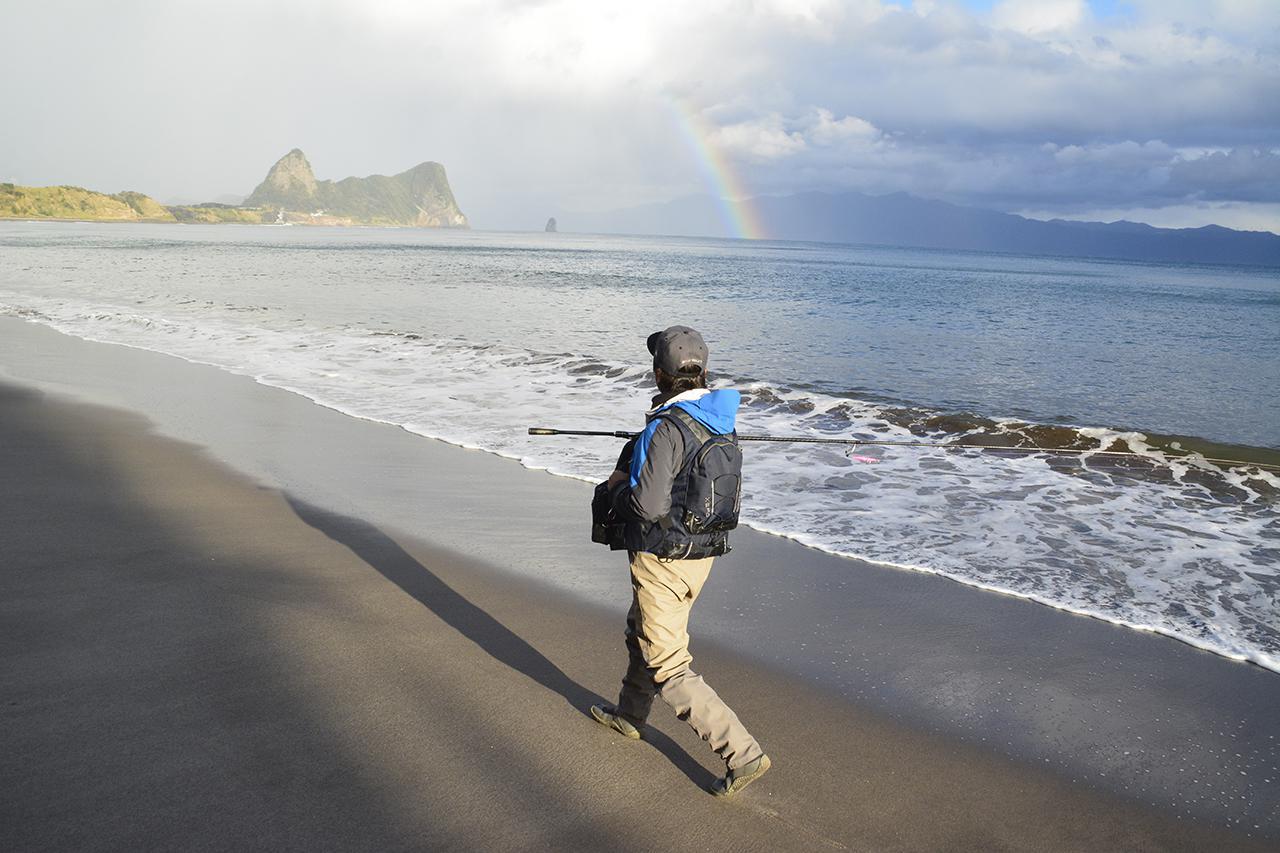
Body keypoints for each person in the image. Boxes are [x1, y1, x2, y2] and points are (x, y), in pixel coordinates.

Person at [590, 325, 771, 797]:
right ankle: (630, 716)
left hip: (662, 557)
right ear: (703, 372)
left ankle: (742, 753)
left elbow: (648, 505)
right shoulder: (717, 418)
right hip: (701, 554)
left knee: (667, 662)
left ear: (658, 375)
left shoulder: (665, 427)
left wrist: (616, 487)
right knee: (643, 631)